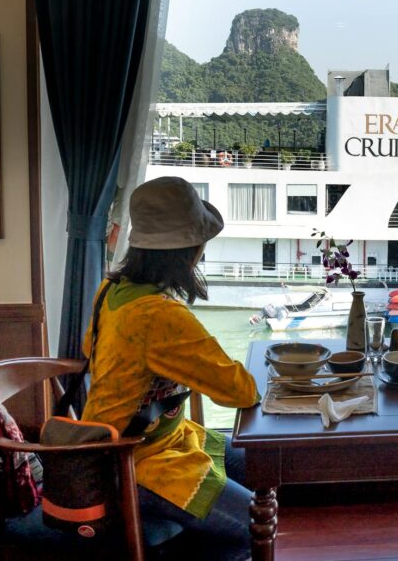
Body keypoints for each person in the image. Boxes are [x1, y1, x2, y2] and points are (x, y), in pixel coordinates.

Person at [81, 176, 259, 560]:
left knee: (259, 464)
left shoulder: (110, 289)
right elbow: (240, 391)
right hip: (135, 463)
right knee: (257, 524)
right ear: (189, 250)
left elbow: (92, 352)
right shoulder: (160, 315)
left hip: (139, 445)